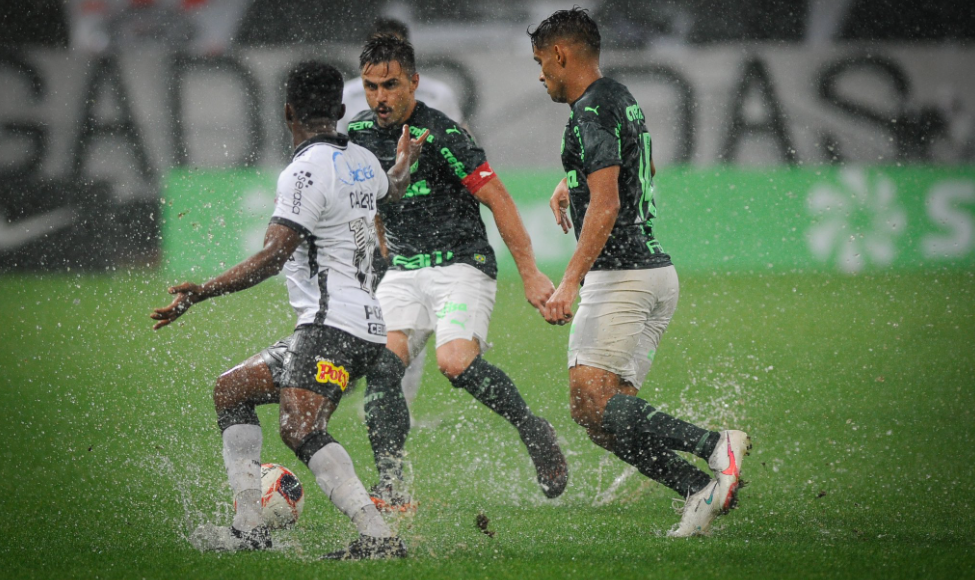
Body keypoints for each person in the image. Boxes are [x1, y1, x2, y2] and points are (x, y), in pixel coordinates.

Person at [150, 60, 428, 559]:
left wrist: (202, 292)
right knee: (231, 390)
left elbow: (274, 256)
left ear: (287, 112)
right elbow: (395, 187)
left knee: (300, 428)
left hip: (332, 325)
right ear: (342, 111)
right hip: (356, 326)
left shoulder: (304, 169)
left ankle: (379, 537)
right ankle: (249, 526)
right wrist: (404, 163)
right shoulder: (362, 158)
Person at [528, 8, 751, 537]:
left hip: (621, 277)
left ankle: (716, 446)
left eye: (541, 62)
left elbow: (605, 205)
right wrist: (573, 182)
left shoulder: (588, 113)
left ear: (561, 54)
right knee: (603, 419)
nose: (540, 75)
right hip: (653, 276)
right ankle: (698, 489)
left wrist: (569, 281)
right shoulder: (618, 96)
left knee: (591, 403)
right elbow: (640, 166)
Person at [344, 33, 568, 510]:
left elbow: (498, 198)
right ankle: (391, 484)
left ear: (414, 82)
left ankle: (533, 428)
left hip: (461, 265)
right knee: (381, 367)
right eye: (370, 87)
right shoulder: (360, 135)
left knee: (454, 364)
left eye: (390, 85)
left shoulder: (443, 134)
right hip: (403, 270)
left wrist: (529, 274)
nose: (379, 98)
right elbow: (368, 200)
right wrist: (379, 248)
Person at [337, 16, 465, 410]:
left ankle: (398, 404)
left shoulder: (439, 95)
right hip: (358, 222)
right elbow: (338, 155)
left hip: (416, 222)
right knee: (356, 308)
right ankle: (346, 382)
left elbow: (458, 149)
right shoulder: (349, 95)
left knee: (410, 313)